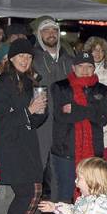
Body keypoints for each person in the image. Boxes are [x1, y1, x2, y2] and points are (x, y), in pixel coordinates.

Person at [0, 38, 48, 214]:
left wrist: (40, 112)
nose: (24, 60)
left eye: (28, 56)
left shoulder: (28, 81)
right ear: (11, 59)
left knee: (31, 191)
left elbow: (33, 119)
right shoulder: (3, 83)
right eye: (20, 56)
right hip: (10, 147)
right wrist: (29, 111)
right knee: (29, 192)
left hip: (26, 145)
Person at [49, 52, 107, 203]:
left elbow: (102, 118)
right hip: (66, 148)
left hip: (92, 149)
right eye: (80, 66)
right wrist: (91, 111)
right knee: (65, 190)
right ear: (73, 67)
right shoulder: (60, 87)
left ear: (94, 69)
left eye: (89, 66)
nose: (84, 70)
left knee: (91, 190)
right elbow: (61, 116)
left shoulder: (101, 89)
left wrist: (76, 109)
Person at [31, 16, 74, 197]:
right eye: (46, 30)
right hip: (43, 119)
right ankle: (31, 207)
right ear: (40, 35)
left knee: (60, 164)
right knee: (38, 162)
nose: (51, 34)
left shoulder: (68, 59)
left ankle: (58, 208)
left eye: (54, 30)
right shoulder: (33, 58)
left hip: (64, 120)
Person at [84, 37, 107, 160]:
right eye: (94, 50)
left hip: (104, 128)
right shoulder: (81, 71)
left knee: (101, 166)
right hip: (84, 125)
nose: (98, 53)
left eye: (101, 50)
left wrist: (104, 114)